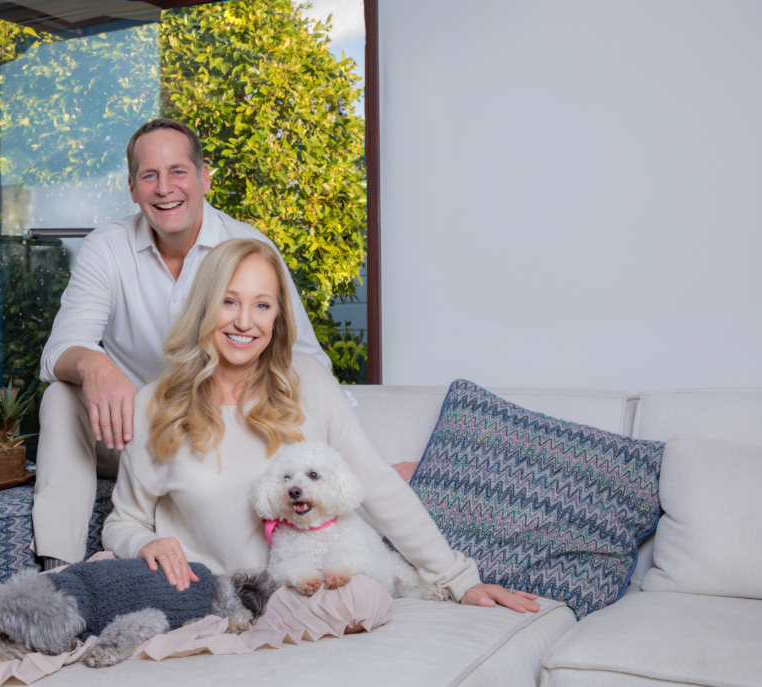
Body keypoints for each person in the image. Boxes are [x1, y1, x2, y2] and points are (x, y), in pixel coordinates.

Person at [103, 239, 542, 612]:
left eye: (262, 305)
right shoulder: (156, 406)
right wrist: (143, 544)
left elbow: (377, 486)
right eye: (229, 301)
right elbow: (123, 520)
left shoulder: (307, 381)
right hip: (213, 602)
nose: (243, 321)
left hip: (306, 600)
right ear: (204, 306)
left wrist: (458, 578)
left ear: (277, 319)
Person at [34, 119, 330, 568]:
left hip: (220, 441)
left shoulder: (248, 248)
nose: (163, 188)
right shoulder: (107, 248)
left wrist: (358, 456)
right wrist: (94, 364)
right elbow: (60, 349)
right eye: (148, 175)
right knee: (60, 396)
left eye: (177, 171)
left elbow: (306, 362)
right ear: (132, 188)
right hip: (131, 435)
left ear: (203, 177)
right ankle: (57, 573)